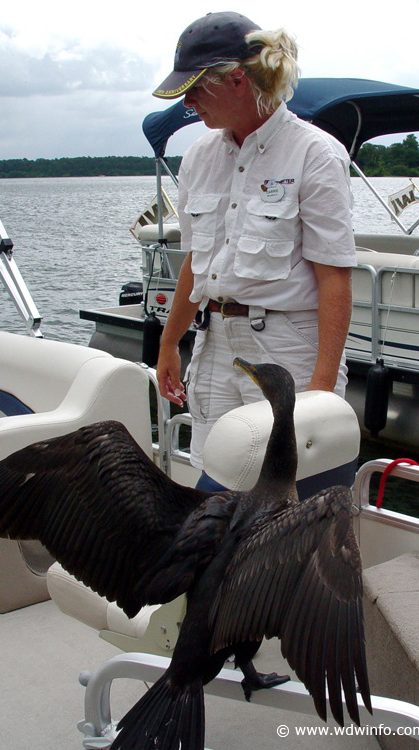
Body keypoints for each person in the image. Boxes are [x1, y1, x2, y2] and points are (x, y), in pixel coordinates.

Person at [153, 11, 356, 484]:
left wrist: (321, 394)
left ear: (238, 80)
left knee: (296, 492)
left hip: (288, 348)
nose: (188, 101)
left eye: (197, 88)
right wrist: (168, 344)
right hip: (215, 345)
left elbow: (334, 279)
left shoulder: (315, 154)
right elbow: (197, 266)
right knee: (215, 490)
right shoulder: (199, 157)